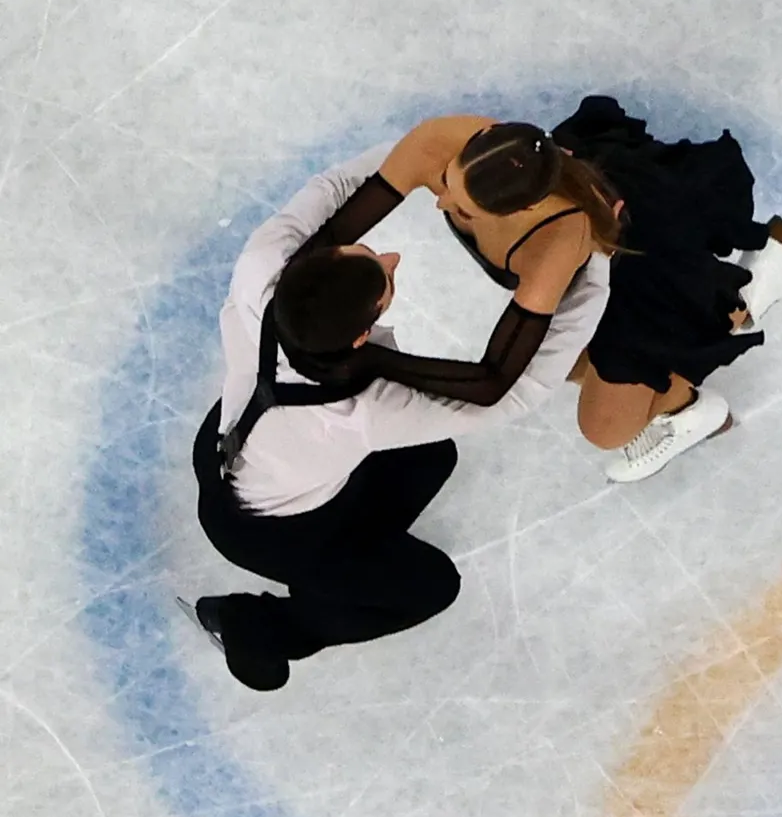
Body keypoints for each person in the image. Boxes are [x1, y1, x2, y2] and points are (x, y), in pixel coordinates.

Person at [186, 143, 609, 691]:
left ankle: (348, 557)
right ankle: (263, 629)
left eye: (370, 254)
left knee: (431, 457)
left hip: (226, 448)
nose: (392, 258)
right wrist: (594, 264)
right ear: (360, 337)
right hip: (272, 535)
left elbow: (334, 189)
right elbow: (515, 391)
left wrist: (437, 151)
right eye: (384, 279)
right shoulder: (366, 411)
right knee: (431, 587)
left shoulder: (261, 268)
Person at [307, 97, 782, 483]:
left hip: (643, 282)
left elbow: (495, 380)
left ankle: (725, 342)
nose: (442, 203)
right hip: (600, 261)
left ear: (524, 209)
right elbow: (337, 230)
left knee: (605, 428)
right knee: (563, 360)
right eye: (448, 180)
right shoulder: (439, 142)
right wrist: (296, 303)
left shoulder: (557, 240)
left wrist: (373, 361)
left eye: (464, 209)